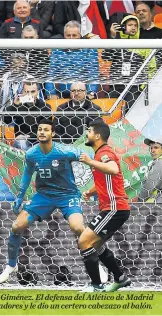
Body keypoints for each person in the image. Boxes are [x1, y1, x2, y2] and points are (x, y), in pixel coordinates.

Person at [0, 119, 107, 284]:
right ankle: (12, 265)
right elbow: (27, 174)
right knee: (16, 226)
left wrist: (102, 162)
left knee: (78, 227)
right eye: (39, 129)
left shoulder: (64, 151)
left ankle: (97, 265)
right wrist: (19, 197)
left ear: (53, 133)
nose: (42, 132)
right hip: (44, 196)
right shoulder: (32, 154)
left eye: (46, 130)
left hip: (68, 195)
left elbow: (89, 158)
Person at [79, 120, 131, 292]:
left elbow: (113, 169)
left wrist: (89, 162)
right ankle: (120, 278)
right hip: (114, 208)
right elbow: (107, 179)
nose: (87, 134)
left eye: (89, 131)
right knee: (97, 245)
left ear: (97, 135)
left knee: (85, 240)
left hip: (115, 208)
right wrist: (90, 192)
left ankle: (96, 286)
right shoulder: (100, 154)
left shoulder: (105, 153)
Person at [139, 137, 162, 203]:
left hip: (157, 206)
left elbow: (149, 185)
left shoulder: (159, 162)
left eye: (156, 147)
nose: (152, 150)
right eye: (151, 148)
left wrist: (139, 201)